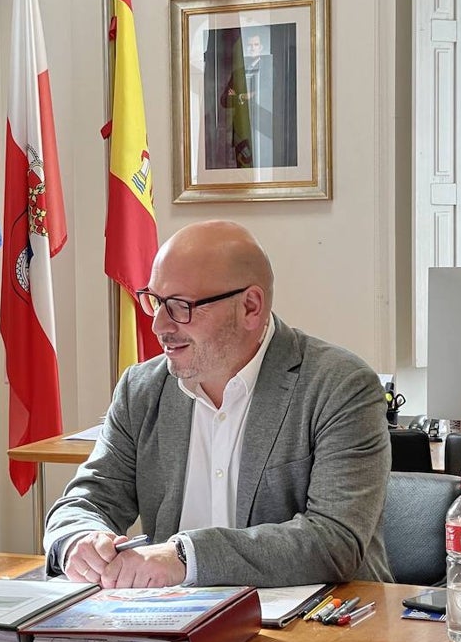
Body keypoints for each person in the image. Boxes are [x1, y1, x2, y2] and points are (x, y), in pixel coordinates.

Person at [44, 220, 391, 589]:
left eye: (180, 306)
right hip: (173, 624)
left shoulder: (339, 386)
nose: (159, 325)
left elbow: (333, 541)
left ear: (250, 307)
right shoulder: (141, 389)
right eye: (156, 301)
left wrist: (185, 557)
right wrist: (78, 542)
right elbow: (86, 501)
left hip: (322, 627)